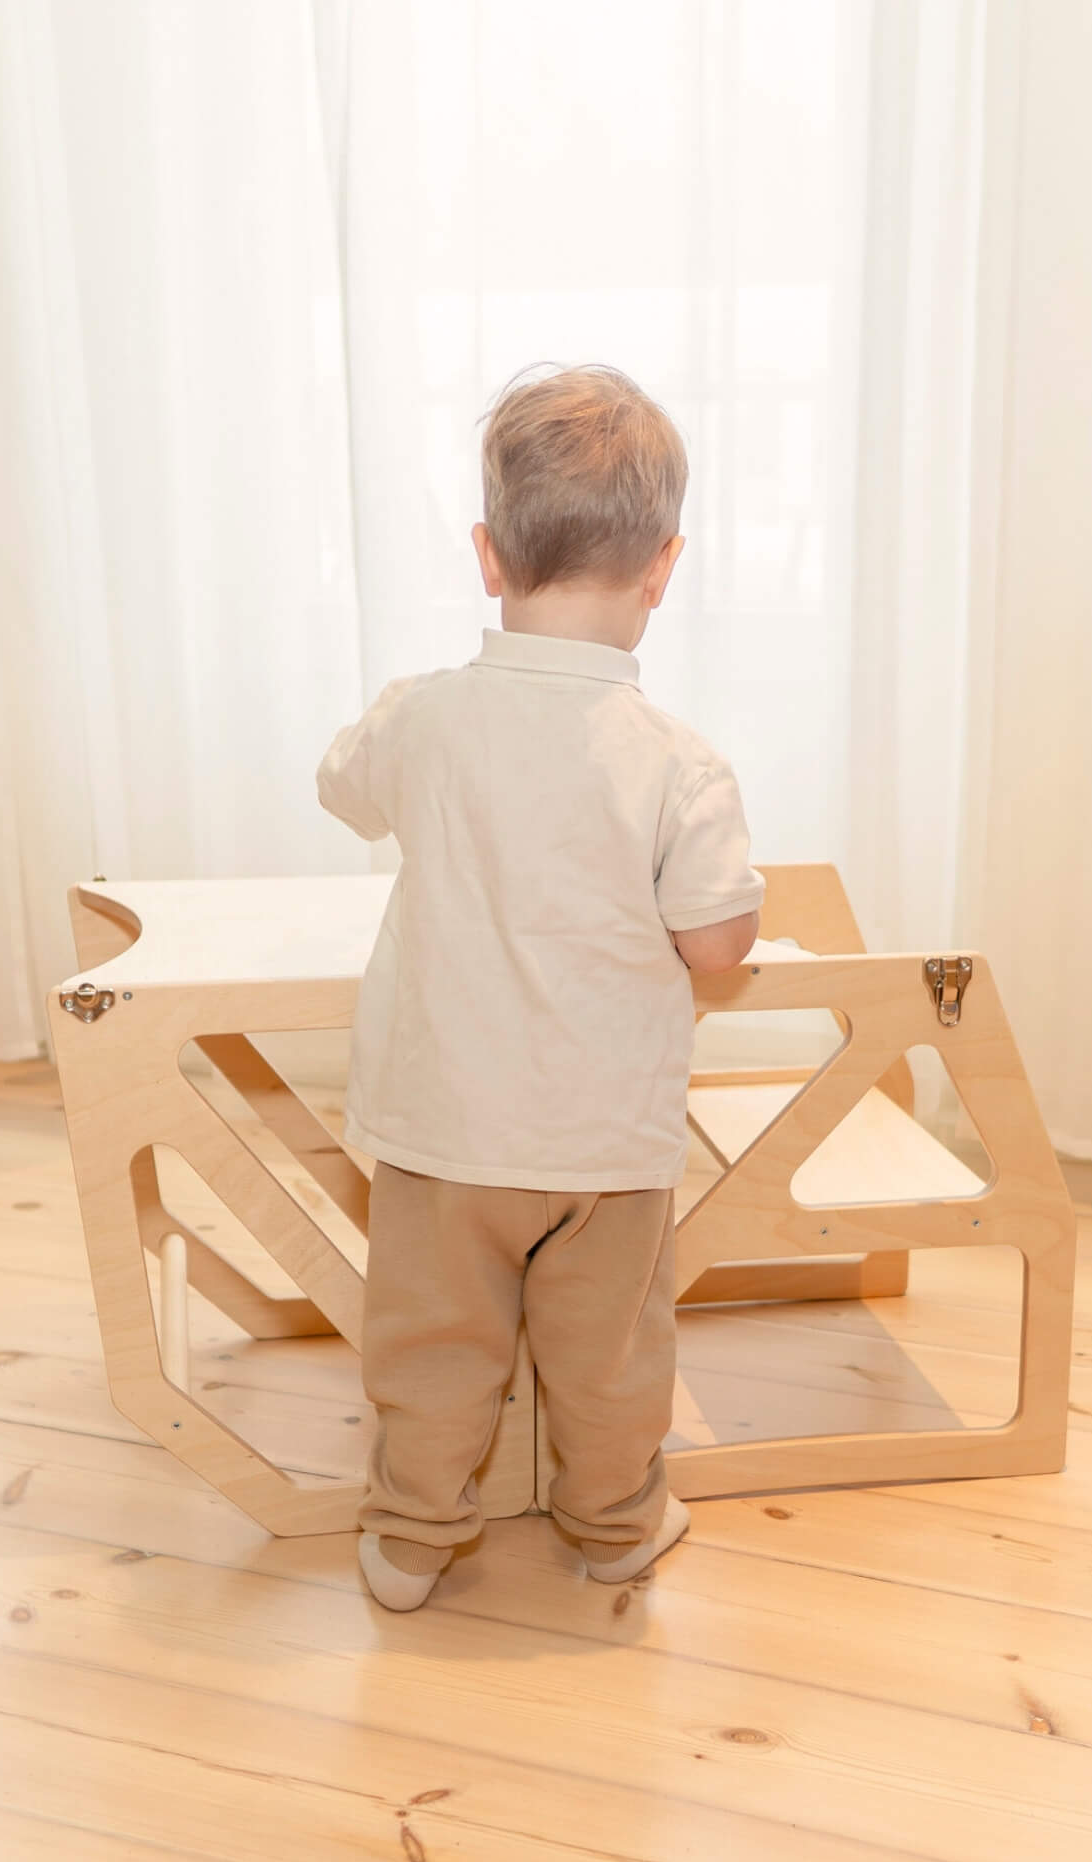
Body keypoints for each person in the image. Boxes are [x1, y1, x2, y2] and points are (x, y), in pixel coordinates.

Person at [316, 364, 763, 1612]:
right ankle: (614, 1526)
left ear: (485, 554)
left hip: (441, 1126)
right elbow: (718, 945)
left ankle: (411, 1537)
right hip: (601, 1142)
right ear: (662, 567)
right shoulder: (678, 761)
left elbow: (341, 786)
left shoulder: (424, 718)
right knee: (610, 1354)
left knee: (430, 1343)